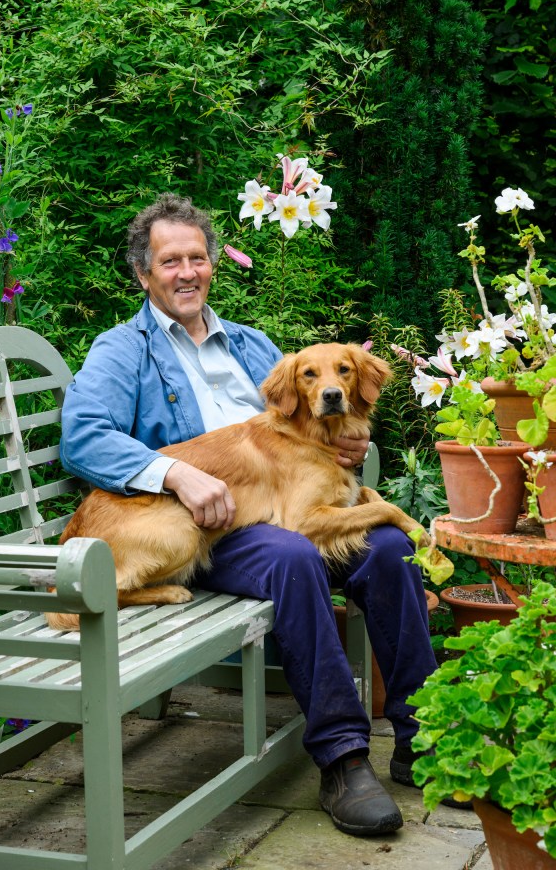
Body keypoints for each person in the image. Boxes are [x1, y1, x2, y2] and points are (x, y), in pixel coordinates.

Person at [60, 192, 438, 838]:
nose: (187, 272)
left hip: (288, 510)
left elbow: (318, 417)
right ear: (144, 274)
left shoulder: (254, 344)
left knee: (388, 550)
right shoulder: (123, 350)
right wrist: (177, 473)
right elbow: (84, 436)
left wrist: (350, 443)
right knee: (292, 558)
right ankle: (344, 757)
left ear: (212, 266)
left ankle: (424, 735)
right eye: (170, 261)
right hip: (204, 529)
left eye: (197, 258)